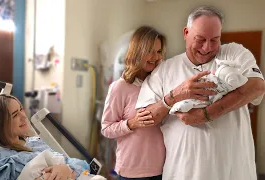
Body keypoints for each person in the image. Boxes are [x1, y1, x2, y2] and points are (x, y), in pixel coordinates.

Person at [135, 5, 265, 180]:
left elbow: (257, 86)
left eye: (215, 40)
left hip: (234, 173)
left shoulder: (233, 53)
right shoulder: (164, 71)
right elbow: (145, 118)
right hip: (183, 173)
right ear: (186, 33)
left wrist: (205, 115)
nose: (207, 47)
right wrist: (175, 95)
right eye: (200, 39)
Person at [0, 94, 90, 180]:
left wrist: (65, 169)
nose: (23, 116)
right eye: (15, 115)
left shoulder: (34, 143)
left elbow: (80, 165)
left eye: (21, 109)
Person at [101, 26, 167, 180]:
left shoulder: (162, 85)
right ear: (137, 51)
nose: (155, 57)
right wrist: (132, 123)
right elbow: (106, 128)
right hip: (132, 172)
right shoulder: (120, 87)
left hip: (164, 168)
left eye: (158, 52)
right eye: (150, 50)